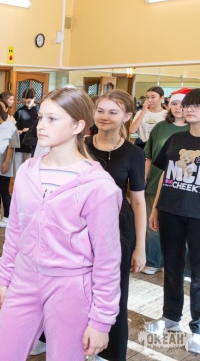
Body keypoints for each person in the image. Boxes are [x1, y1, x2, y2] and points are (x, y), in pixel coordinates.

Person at [0, 87, 122, 361]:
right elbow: (15, 230)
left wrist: (101, 320)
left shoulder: (99, 186)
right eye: (41, 118)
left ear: (78, 126)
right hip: (24, 277)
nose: (41, 126)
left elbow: (107, 259)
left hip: (70, 287)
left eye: (52, 119)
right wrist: (5, 277)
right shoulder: (27, 171)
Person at [85, 89, 146, 361]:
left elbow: (138, 202)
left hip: (118, 227)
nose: (104, 116)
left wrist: (140, 248)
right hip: (80, 223)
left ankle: (110, 352)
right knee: (72, 285)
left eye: (113, 112)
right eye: (100, 110)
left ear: (127, 116)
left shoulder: (133, 153)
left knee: (114, 290)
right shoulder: (80, 145)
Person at [146, 88, 200, 355]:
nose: (189, 109)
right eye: (187, 105)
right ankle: (170, 317)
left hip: (197, 214)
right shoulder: (175, 138)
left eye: (196, 106)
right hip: (170, 210)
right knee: (172, 267)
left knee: (198, 275)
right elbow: (165, 178)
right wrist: (156, 209)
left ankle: (198, 328)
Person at [143, 88, 191, 275]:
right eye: (174, 104)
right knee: (152, 225)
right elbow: (148, 155)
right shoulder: (160, 128)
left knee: (182, 228)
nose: (178, 107)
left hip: (182, 187)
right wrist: (143, 178)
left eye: (182, 104)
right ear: (169, 105)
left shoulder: (193, 129)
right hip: (155, 181)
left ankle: (182, 267)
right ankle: (153, 261)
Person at [0, 99, 20, 228]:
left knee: (4, 190)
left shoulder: (10, 126)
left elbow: (11, 146)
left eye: (0, 107)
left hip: (4, 160)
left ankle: (8, 216)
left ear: (7, 109)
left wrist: (7, 162)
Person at [13, 88, 38, 173]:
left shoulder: (38, 111)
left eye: (29, 102)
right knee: (18, 170)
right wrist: (18, 131)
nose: (26, 104)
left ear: (34, 98)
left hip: (31, 145)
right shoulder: (19, 111)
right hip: (19, 144)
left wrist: (30, 129)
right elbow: (13, 127)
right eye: (24, 102)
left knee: (29, 170)